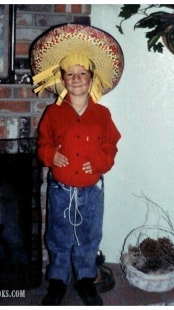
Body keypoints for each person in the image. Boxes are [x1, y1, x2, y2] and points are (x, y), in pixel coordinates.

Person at [31, 24, 124, 306]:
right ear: (62, 79)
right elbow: (43, 142)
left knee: (89, 236)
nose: (76, 79)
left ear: (91, 78)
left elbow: (111, 146)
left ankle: (85, 279)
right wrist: (50, 156)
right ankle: (57, 281)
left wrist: (98, 162)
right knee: (58, 236)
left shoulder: (102, 114)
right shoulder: (53, 113)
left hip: (91, 190)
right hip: (60, 189)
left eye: (82, 74)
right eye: (70, 75)